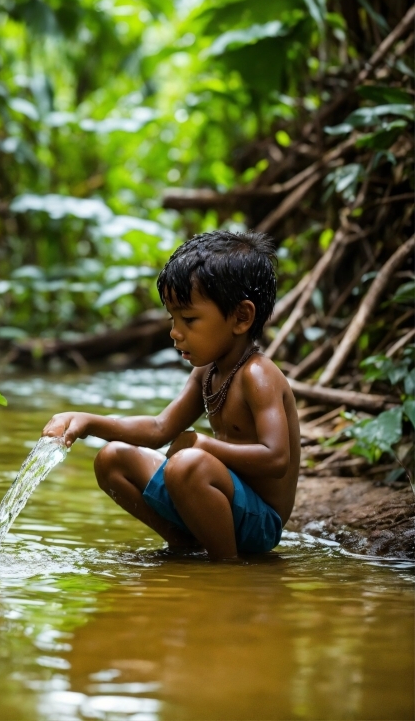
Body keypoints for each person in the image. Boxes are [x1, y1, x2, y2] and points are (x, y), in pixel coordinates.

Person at [42, 230, 300, 560]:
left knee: (187, 464)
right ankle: (185, 544)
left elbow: (276, 458)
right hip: (215, 499)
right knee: (113, 459)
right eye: (173, 318)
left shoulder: (258, 375)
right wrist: (86, 422)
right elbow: (158, 429)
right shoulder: (207, 372)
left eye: (189, 319)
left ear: (241, 317)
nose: (175, 333)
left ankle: (228, 567)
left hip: (259, 522)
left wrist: (203, 444)